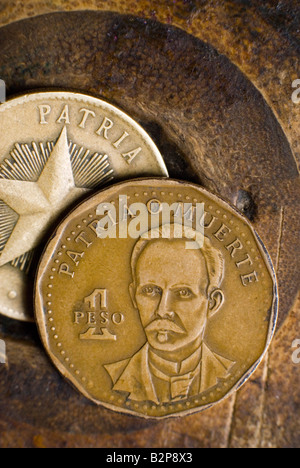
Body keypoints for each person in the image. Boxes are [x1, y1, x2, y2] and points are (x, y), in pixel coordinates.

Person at [105, 224, 235, 404]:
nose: (162, 310)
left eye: (183, 293)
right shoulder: (111, 376)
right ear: (134, 296)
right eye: (150, 291)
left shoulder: (232, 374)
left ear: (212, 303)